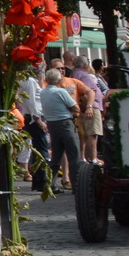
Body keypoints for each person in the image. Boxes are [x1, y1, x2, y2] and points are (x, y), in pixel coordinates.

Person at [40, 68, 82, 189]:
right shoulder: (60, 92)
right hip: (65, 123)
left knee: (56, 157)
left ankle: (50, 185)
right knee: (74, 156)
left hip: (52, 124)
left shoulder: (43, 92)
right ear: (59, 80)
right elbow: (75, 108)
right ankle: (77, 185)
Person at [15, 61, 50, 191]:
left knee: (37, 150)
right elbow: (32, 102)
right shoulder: (30, 82)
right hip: (33, 119)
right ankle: (42, 181)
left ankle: (38, 180)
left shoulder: (27, 81)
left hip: (31, 118)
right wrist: (38, 120)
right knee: (41, 150)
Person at [69, 56, 106, 163]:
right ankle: (93, 157)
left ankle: (83, 157)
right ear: (85, 65)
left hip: (84, 107)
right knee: (92, 133)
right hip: (91, 107)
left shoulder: (74, 74)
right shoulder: (84, 76)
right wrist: (88, 106)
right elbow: (86, 93)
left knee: (83, 134)